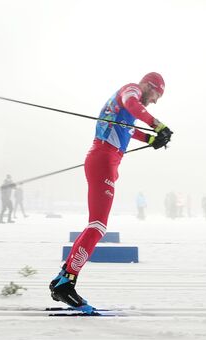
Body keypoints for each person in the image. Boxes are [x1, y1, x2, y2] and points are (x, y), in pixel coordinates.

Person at [49, 72, 172, 313]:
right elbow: (132, 105)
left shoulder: (129, 102)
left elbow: (127, 129)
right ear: (148, 85)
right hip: (103, 158)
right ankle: (66, 283)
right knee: (97, 225)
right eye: (157, 94)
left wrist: (151, 138)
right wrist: (158, 125)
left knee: (96, 225)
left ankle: (64, 278)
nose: (155, 100)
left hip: (106, 159)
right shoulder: (131, 91)